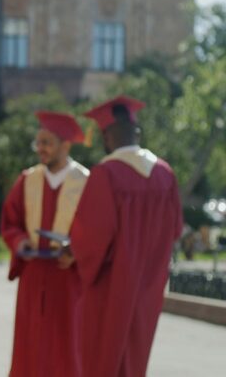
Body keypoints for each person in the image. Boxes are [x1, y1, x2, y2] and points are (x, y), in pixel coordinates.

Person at [68, 95, 182, 376]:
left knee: (102, 359)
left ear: (107, 137)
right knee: (135, 359)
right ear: (138, 133)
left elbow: (91, 241)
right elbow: (175, 229)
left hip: (110, 289)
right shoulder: (165, 174)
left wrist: (71, 252)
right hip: (149, 288)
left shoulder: (106, 174)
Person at [0, 111, 89, 377]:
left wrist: (77, 251)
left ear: (66, 145)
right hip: (34, 275)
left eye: (47, 142)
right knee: (30, 344)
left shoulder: (86, 182)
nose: (40, 149)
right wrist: (20, 241)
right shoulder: (28, 180)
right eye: (38, 142)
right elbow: (10, 222)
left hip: (69, 278)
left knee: (68, 346)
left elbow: (99, 230)